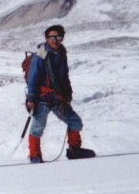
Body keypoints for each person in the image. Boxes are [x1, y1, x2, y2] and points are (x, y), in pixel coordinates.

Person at [24, 24, 94, 163]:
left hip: (58, 98)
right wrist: (31, 99)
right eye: (52, 37)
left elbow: (64, 76)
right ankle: (34, 155)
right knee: (37, 128)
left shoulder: (61, 53)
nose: (55, 40)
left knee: (75, 122)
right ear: (46, 38)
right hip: (42, 98)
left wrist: (68, 92)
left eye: (58, 37)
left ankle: (75, 150)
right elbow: (33, 79)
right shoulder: (40, 56)